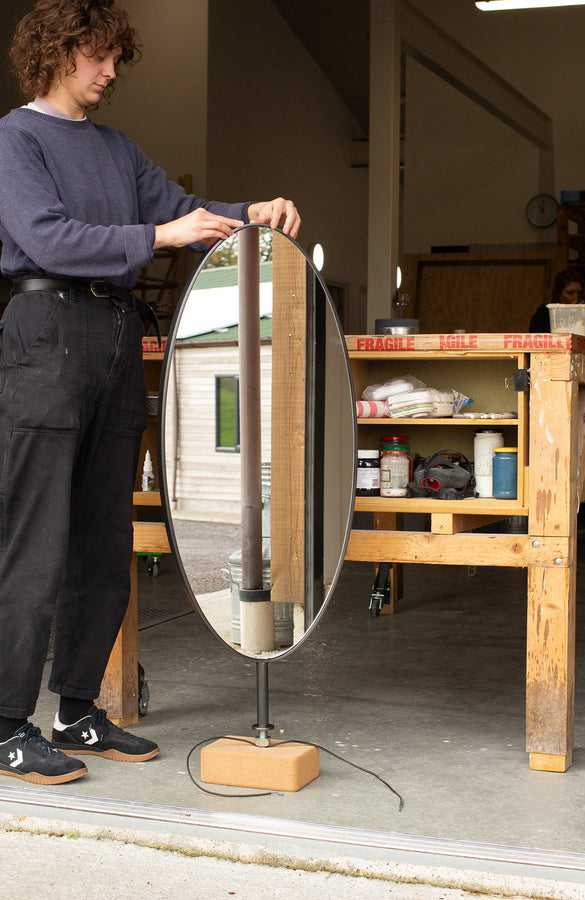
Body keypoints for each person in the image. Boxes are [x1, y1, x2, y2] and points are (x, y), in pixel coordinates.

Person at [0, 0, 300, 785]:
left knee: (103, 540)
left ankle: (75, 712)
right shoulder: (14, 138)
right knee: (33, 545)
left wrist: (251, 215)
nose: (108, 72)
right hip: (44, 334)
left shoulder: (117, 149)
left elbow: (181, 213)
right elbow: (47, 237)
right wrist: (158, 238)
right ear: (55, 52)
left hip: (114, 339)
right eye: (96, 56)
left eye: (113, 59)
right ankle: (4, 725)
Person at [528, 267, 585, 336]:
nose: (576, 297)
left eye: (579, 293)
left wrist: (580, 315)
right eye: (570, 293)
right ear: (558, 294)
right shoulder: (543, 316)